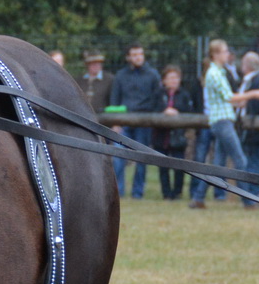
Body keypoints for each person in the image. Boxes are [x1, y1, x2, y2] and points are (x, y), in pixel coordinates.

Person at [188, 39, 259, 208]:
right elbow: (229, 97)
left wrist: (241, 100)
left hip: (221, 121)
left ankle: (198, 198)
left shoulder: (218, 72)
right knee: (240, 160)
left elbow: (226, 99)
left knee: (217, 165)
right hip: (222, 122)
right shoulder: (215, 74)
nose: (227, 54)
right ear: (215, 54)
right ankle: (248, 201)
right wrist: (253, 94)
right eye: (224, 51)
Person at [109, 42, 163, 199]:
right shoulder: (120, 76)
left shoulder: (153, 75)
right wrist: (115, 122)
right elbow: (115, 99)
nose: (138, 57)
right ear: (128, 57)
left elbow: (157, 99)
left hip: (144, 122)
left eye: (140, 54)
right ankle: (118, 192)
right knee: (118, 156)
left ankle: (137, 193)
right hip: (124, 121)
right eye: (134, 54)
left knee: (142, 159)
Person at [152, 64, 195, 200]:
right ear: (164, 80)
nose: (174, 80)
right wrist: (164, 111)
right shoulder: (158, 94)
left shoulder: (184, 94)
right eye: (171, 78)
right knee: (163, 166)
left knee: (179, 166)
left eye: (176, 77)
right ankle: (166, 193)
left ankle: (177, 192)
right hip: (161, 135)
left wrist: (177, 112)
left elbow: (189, 111)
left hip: (178, 137)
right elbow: (153, 108)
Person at [234, 50, 259, 180]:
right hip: (247, 126)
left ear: (247, 65)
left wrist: (245, 103)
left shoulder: (257, 81)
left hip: (253, 128)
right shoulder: (248, 80)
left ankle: (254, 190)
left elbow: (256, 106)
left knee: (253, 159)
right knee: (249, 158)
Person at [76, 51, 112, 118]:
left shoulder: (109, 79)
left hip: (103, 119)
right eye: (93, 63)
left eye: (98, 63)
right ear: (87, 65)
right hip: (82, 117)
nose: (96, 65)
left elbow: (113, 102)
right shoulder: (79, 80)